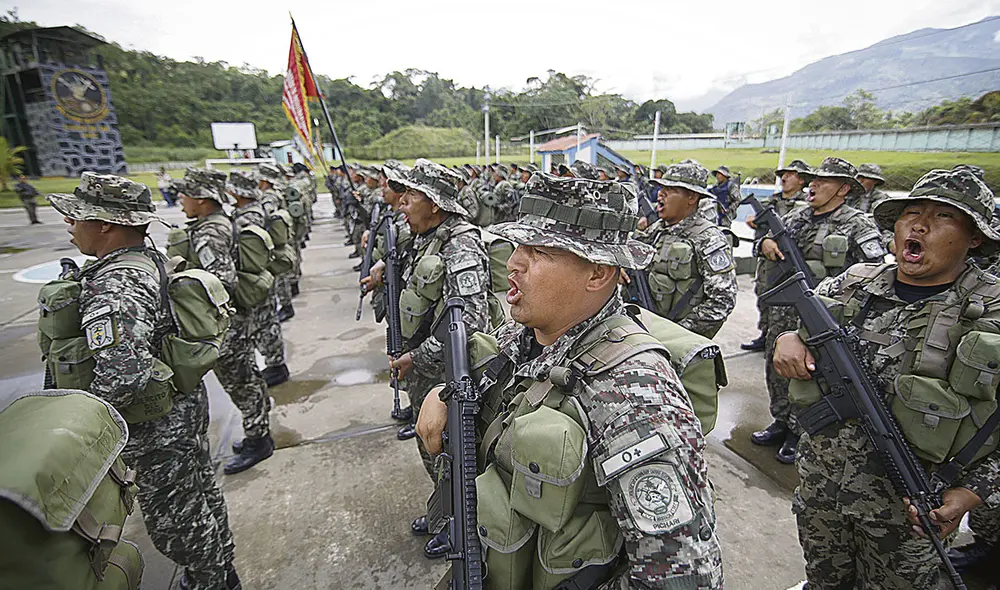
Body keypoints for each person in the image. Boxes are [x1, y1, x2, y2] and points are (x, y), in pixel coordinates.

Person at [416, 172, 724, 589]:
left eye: (539, 251)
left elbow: (684, 579)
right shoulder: (527, 333)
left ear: (596, 274)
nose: (513, 263)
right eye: (519, 245)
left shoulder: (634, 397)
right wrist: (443, 394)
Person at [773, 166, 1000, 589]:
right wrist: (787, 339)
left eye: (944, 216)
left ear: (976, 237)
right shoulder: (856, 283)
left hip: (910, 512)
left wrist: (973, 494)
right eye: (912, 211)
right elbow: (800, 326)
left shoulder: (991, 313)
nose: (919, 223)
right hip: (824, 489)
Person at [44, 172, 240, 590]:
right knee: (200, 495)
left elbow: (123, 373)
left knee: (178, 525)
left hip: (155, 428)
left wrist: (83, 432)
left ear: (105, 225)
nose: (69, 225)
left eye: (75, 216)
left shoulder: (115, 284)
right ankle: (221, 572)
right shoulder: (148, 258)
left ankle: (210, 581)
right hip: (179, 408)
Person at [362, 161, 492, 559]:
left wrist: (417, 356)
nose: (402, 202)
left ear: (435, 204)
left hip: (447, 373)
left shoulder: (460, 244)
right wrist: (384, 265)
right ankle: (444, 512)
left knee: (450, 453)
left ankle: (459, 525)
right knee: (430, 449)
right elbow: (403, 253)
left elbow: (472, 319)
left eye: (412, 195)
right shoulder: (425, 235)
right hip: (421, 367)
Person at [752, 157, 886, 463]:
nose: (813, 184)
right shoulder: (797, 217)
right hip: (783, 315)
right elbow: (762, 242)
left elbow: (875, 274)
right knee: (777, 370)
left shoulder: (858, 224)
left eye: (823, 181)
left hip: (824, 318)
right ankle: (782, 420)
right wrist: (764, 245)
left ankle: (801, 432)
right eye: (813, 179)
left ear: (843, 189)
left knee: (811, 377)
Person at [173, 171, 274, 474]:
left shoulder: (210, 232)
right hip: (231, 319)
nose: (181, 200)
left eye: (185, 194)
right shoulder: (213, 224)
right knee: (246, 377)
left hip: (225, 322)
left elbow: (223, 281)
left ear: (202, 199)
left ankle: (259, 438)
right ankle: (258, 429)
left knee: (241, 381)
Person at [634, 160, 737, 338]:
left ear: (692, 198)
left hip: (677, 340)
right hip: (646, 329)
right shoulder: (658, 229)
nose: (661, 194)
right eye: (661, 188)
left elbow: (722, 301)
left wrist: (678, 333)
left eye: (671, 190)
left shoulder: (708, 239)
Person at [741, 159, 812, 352]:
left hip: (791, 261)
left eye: (790, 174)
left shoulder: (807, 204)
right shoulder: (772, 201)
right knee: (763, 296)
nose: (784, 178)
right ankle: (766, 334)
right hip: (767, 262)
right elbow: (755, 220)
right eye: (783, 175)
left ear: (802, 180)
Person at [228, 170, 289, 388]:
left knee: (266, 322)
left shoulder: (248, 216)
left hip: (255, 277)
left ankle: (277, 365)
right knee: (266, 320)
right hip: (258, 275)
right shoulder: (251, 211)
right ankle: (275, 363)